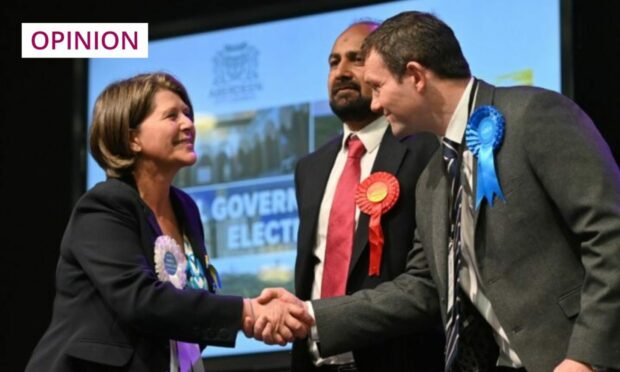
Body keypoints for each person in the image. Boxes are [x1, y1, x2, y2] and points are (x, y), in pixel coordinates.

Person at [257, 11, 620, 372]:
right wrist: (308, 312)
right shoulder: (433, 176)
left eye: (379, 87)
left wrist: (586, 357)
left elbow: (611, 235)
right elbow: (422, 287)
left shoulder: (535, 113)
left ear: (415, 76)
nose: (374, 104)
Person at [25, 72, 310, 372]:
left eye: (187, 113)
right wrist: (245, 311)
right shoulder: (104, 206)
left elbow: (190, 308)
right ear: (131, 137)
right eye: (171, 116)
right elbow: (141, 300)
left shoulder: (185, 208)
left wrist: (253, 317)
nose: (188, 124)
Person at [289, 21, 442, 372]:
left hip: (401, 358)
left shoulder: (423, 149)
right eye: (333, 62)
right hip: (316, 359)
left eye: (355, 59)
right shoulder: (309, 168)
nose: (341, 72)